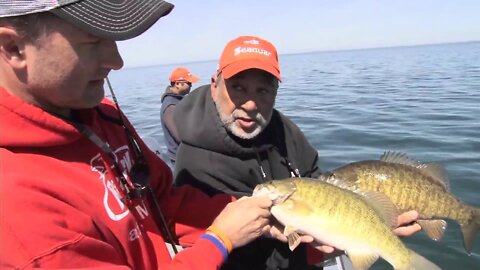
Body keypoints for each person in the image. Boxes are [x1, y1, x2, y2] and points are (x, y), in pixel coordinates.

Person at [0, 2, 313, 269]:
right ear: (13, 48)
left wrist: (255, 216)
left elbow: (165, 202)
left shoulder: (102, 117)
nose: (116, 61)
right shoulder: (16, 204)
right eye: (94, 41)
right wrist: (221, 239)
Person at [173, 35, 422, 269]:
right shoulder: (194, 165)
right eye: (238, 87)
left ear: (275, 93)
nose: (250, 104)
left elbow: (320, 187)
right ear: (215, 85)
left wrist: (356, 229)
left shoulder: (285, 131)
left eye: (263, 90)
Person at [161, 67, 199, 164]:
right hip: (181, 159)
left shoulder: (177, 100)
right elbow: (180, 136)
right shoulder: (171, 106)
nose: (191, 86)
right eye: (189, 83)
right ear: (177, 84)